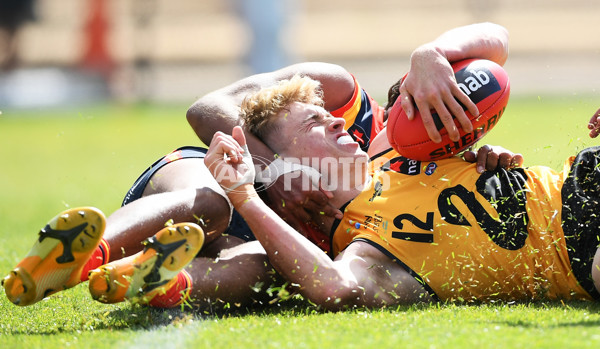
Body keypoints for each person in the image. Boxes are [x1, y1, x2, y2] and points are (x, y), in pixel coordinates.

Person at [3, 23, 514, 309]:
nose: (421, 113)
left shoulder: (411, 165)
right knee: (212, 203)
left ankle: (146, 279)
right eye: (420, 98)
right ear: (407, 86)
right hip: (202, 179)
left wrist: (489, 163)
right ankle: (82, 257)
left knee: (264, 266)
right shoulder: (339, 95)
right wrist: (270, 171)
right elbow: (206, 109)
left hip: (262, 233)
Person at [203, 75, 600, 311]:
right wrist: (246, 197)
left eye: (330, 115)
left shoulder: (394, 147)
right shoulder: (368, 250)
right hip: (583, 250)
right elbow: (333, 287)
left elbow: (493, 43)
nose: (340, 123)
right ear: (287, 164)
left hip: (583, 175)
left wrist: (426, 56)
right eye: (314, 125)